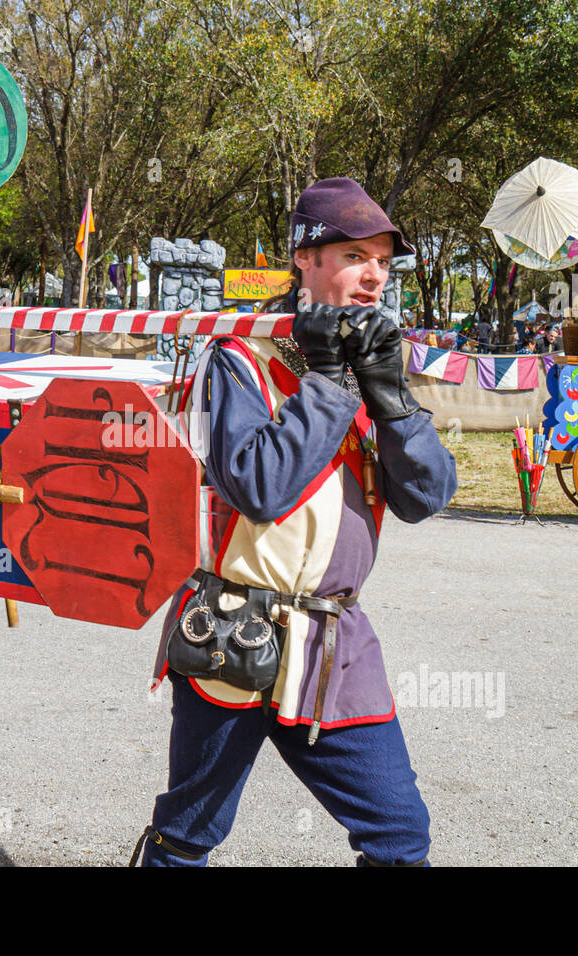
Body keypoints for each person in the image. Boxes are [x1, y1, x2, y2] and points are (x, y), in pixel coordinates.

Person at [133, 178, 457, 866]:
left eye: (384, 262)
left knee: (400, 836)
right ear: (306, 258)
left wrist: (392, 399)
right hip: (230, 628)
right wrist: (329, 384)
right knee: (189, 832)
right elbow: (260, 485)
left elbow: (425, 496)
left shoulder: (374, 360)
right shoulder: (239, 356)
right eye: (355, 256)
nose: (375, 276)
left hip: (335, 638)